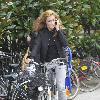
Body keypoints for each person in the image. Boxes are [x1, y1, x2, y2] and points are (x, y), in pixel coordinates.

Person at [26, 9, 68, 100]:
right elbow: (36, 46)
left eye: (54, 20)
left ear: (56, 20)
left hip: (60, 62)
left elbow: (65, 44)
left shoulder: (60, 31)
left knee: (61, 87)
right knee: (49, 88)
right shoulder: (41, 34)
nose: (52, 22)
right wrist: (31, 57)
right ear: (45, 22)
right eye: (49, 21)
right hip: (47, 63)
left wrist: (58, 30)